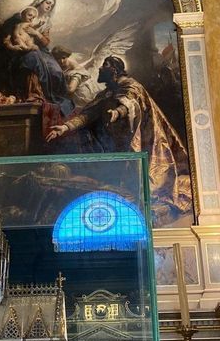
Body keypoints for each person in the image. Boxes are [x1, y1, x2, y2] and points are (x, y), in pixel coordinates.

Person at [46, 56, 192, 224]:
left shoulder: (131, 86)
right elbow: (88, 114)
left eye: (105, 65)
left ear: (114, 69)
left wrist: (117, 113)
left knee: (149, 182)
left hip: (141, 140)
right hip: (118, 142)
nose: (100, 69)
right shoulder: (107, 93)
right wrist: (65, 128)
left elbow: (130, 103)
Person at [0, 0, 74, 117]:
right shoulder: (20, 16)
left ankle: (53, 98)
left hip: (41, 50)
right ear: (39, 3)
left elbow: (46, 42)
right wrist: (12, 46)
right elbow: (7, 34)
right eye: (47, 3)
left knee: (56, 71)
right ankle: (35, 94)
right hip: (19, 48)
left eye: (52, 5)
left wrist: (36, 33)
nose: (49, 6)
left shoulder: (46, 22)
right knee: (32, 60)